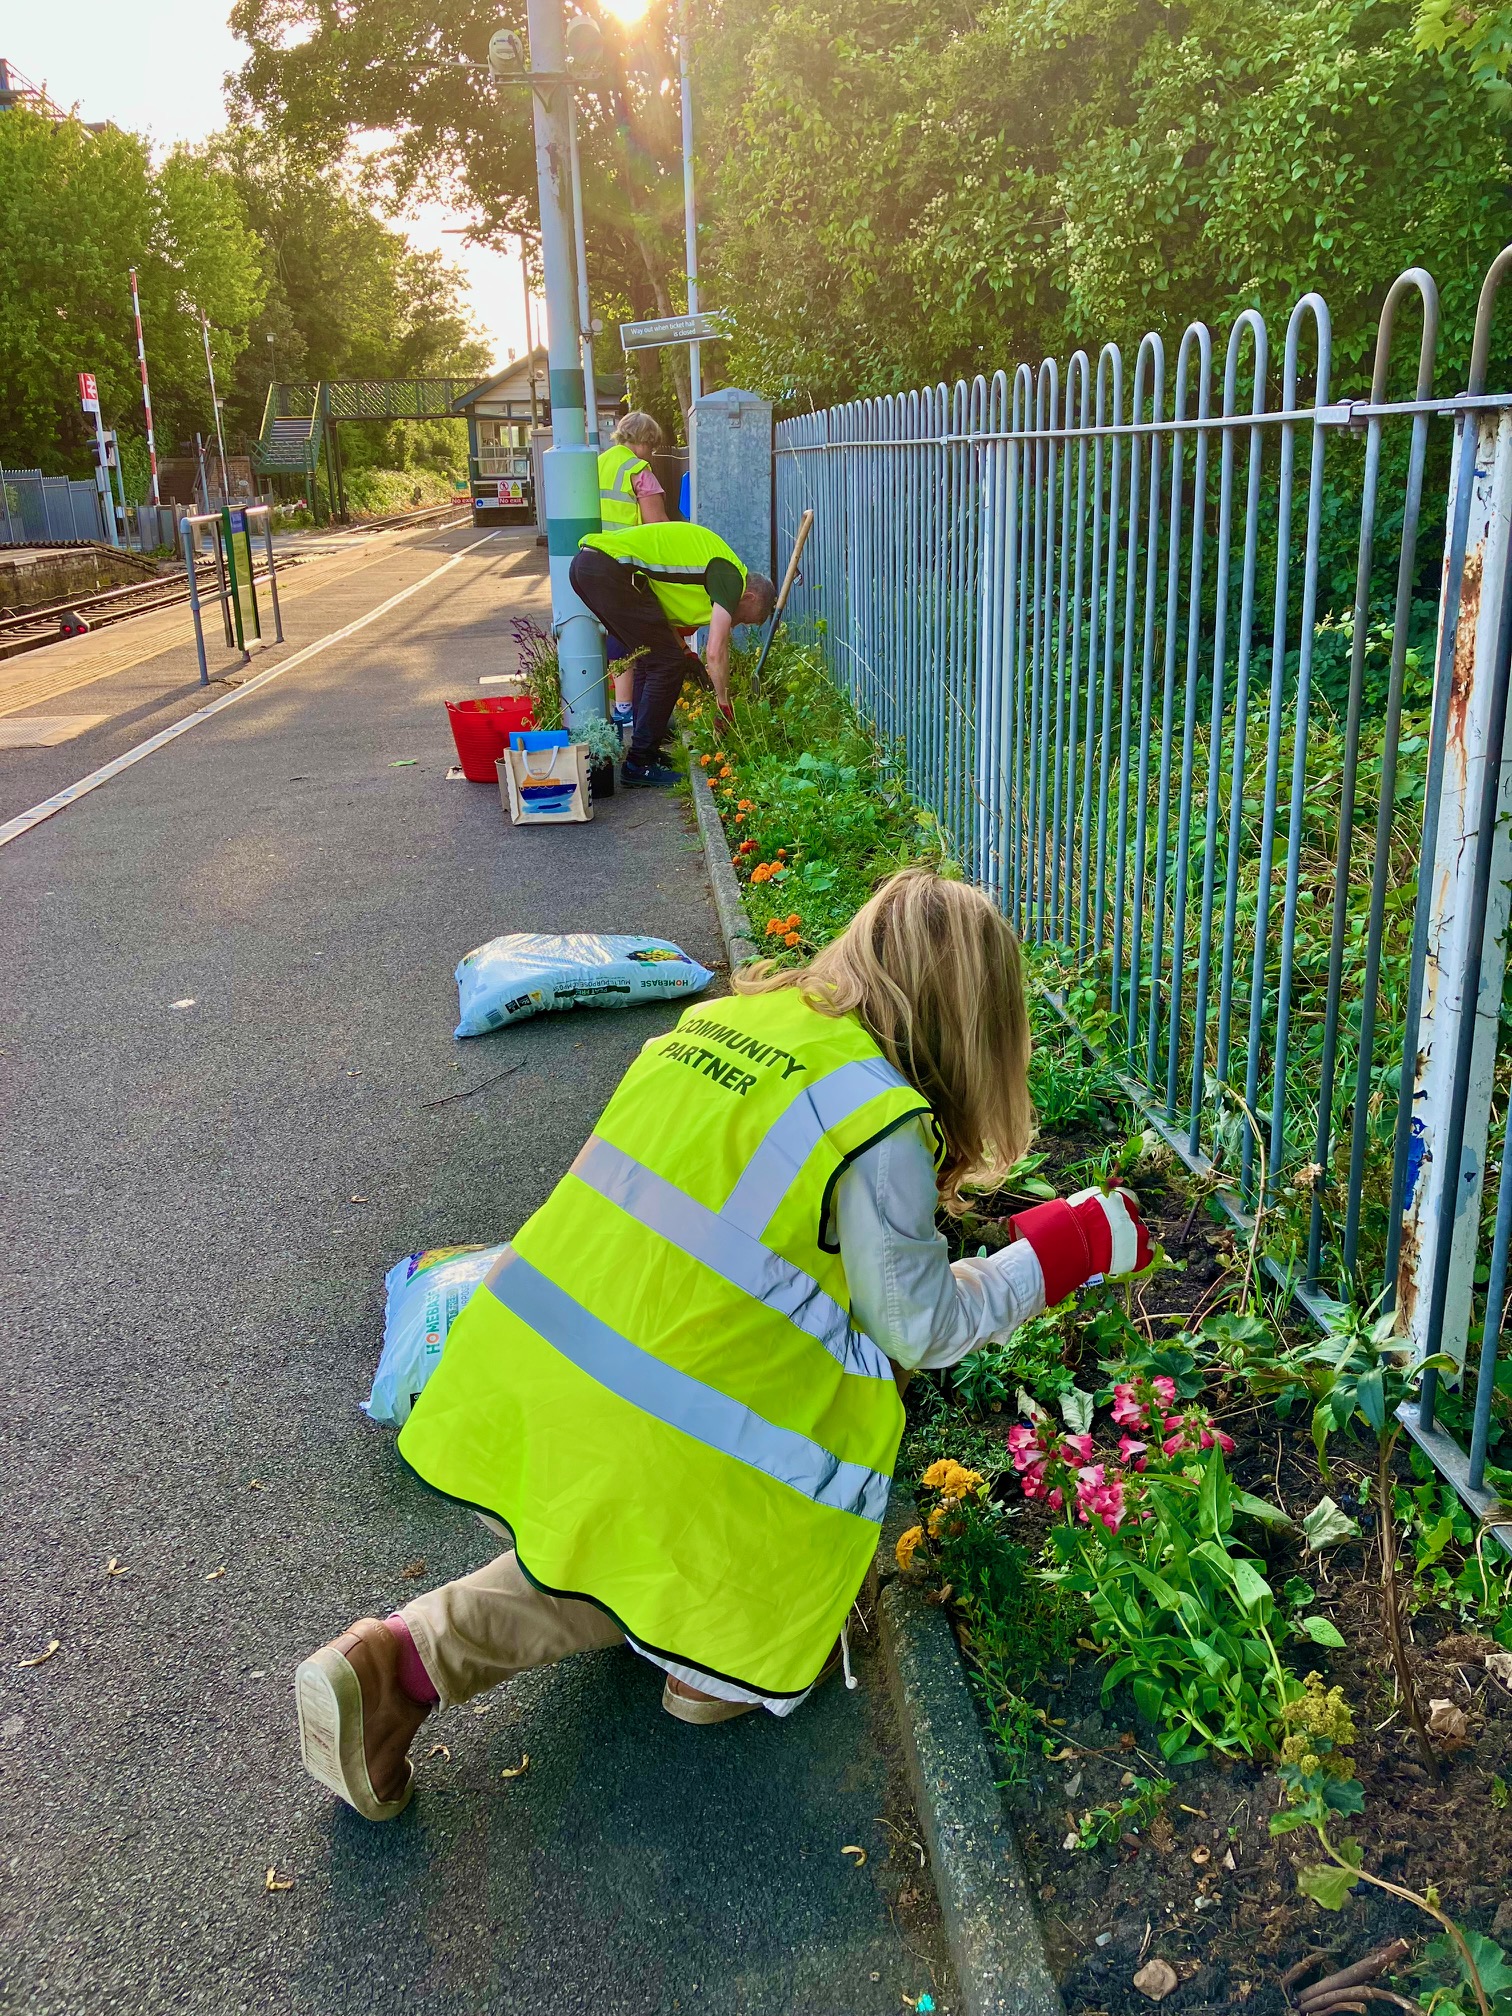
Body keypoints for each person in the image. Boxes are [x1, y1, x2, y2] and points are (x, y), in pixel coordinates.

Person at [293, 869, 1151, 1822]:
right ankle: (428, 1667)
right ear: (975, 1019)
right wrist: (1067, 1250)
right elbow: (922, 1327)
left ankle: (635, 1651)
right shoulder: (879, 1121)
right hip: (647, 1436)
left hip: (525, 1382)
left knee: (616, 1528)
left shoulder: (715, 1030)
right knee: (663, 1536)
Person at [568, 519, 777, 787]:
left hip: (592, 568)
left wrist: (685, 654)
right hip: (609, 571)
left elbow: (657, 614)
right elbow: (716, 649)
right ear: (748, 597)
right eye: (746, 620)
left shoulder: (719, 569)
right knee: (666, 665)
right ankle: (639, 763)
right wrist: (724, 703)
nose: (737, 625)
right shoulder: (731, 576)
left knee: (653, 659)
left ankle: (646, 754)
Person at [597, 412, 669, 729]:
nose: (650, 454)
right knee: (626, 638)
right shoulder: (639, 470)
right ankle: (625, 709)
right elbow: (657, 525)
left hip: (592, 556)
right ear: (642, 442)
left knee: (605, 634)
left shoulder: (598, 463)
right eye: (650, 447)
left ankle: (615, 705)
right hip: (625, 561)